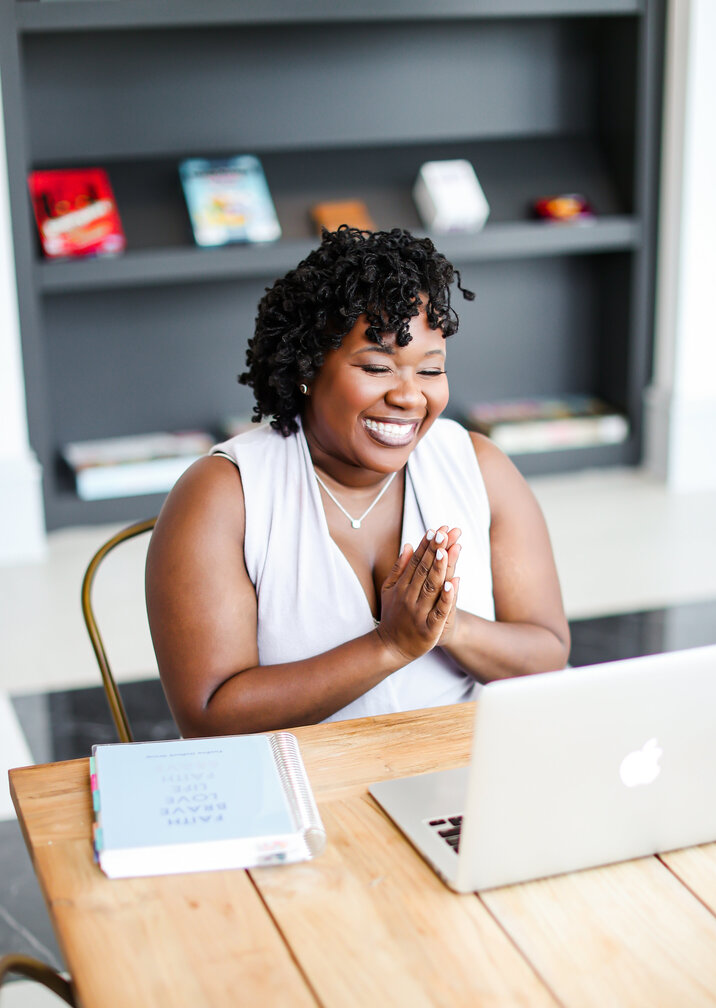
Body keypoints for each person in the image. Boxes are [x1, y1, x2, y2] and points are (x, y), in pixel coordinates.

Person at [145, 226, 569, 736]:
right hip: (301, 788)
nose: (410, 397)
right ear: (307, 369)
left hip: (462, 775)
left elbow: (549, 656)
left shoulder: (478, 465)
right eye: (376, 366)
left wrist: (447, 626)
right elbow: (209, 716)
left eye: (431, 371)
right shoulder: (223, 495)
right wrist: (389, 645)